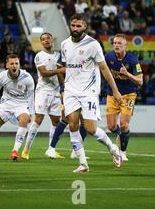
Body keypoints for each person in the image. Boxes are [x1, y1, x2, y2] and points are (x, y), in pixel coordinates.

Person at [61, 13, 122, 173]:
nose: (75, 28)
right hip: (70, 91)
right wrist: (63, 89)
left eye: (78, 26)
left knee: (90, 129)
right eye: (73, 25)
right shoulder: (64, 44)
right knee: (72, 125)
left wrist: (115, 91)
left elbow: (104, 68)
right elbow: (67, 68)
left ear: (85, 27)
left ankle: (112, 147)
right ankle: (83, 164)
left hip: (88, 91)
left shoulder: (93, 44)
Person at [21, 33, 64, 159]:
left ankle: (51, 150)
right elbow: (44, 73)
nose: (46, 41)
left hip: (56, 92)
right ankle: (26, 150)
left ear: (52, 40)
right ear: (41, 42)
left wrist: (64, 88)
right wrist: (59, 70)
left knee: (56, 122)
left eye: (48, 38)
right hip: (43, 91)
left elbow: (62, 75)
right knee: (38, 119)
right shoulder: (39, 56)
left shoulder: (58, 55)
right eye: (43, 39)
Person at [105, 34, 143, 162]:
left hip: (128, 94)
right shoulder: (108, 56)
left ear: (125, 45)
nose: (116, 45)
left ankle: (122, 152)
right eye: (115, 43)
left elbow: (140, 81)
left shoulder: (132, 59)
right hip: (113, 94)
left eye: (119, 43)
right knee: (111, 127)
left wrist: (127, 74)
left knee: (124, 124)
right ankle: (120, 135)